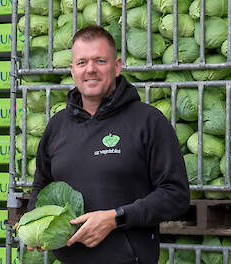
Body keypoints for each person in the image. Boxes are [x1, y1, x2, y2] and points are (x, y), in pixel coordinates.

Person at [25, 25, 190, 264]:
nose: (90, 69)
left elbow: (176, 196)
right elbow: (42, 183)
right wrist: (36, 223)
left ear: (117, 65)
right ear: (72, 70)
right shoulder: (57, 126)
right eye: (82, 63)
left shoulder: (148, 121)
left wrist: (116, 218)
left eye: (100, 60)